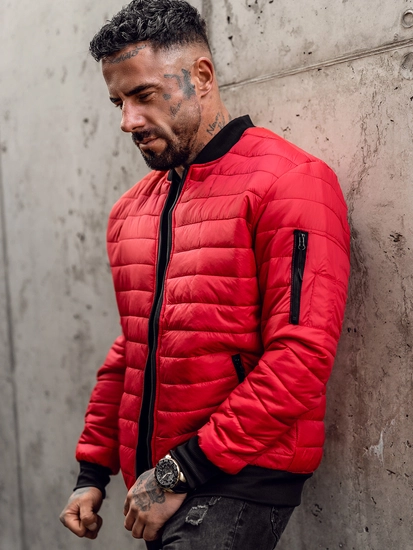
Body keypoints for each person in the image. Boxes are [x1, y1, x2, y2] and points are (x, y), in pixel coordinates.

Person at [59, 1, 350, 548]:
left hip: (238, 479)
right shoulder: (131, 211)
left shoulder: (291, 183)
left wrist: (180, 471)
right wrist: (92, 472)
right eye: (119, 102)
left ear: (202, 76)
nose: (128, 121)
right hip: (154, 483)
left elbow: (301, 356)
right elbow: (133, 348)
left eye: (144, 95)